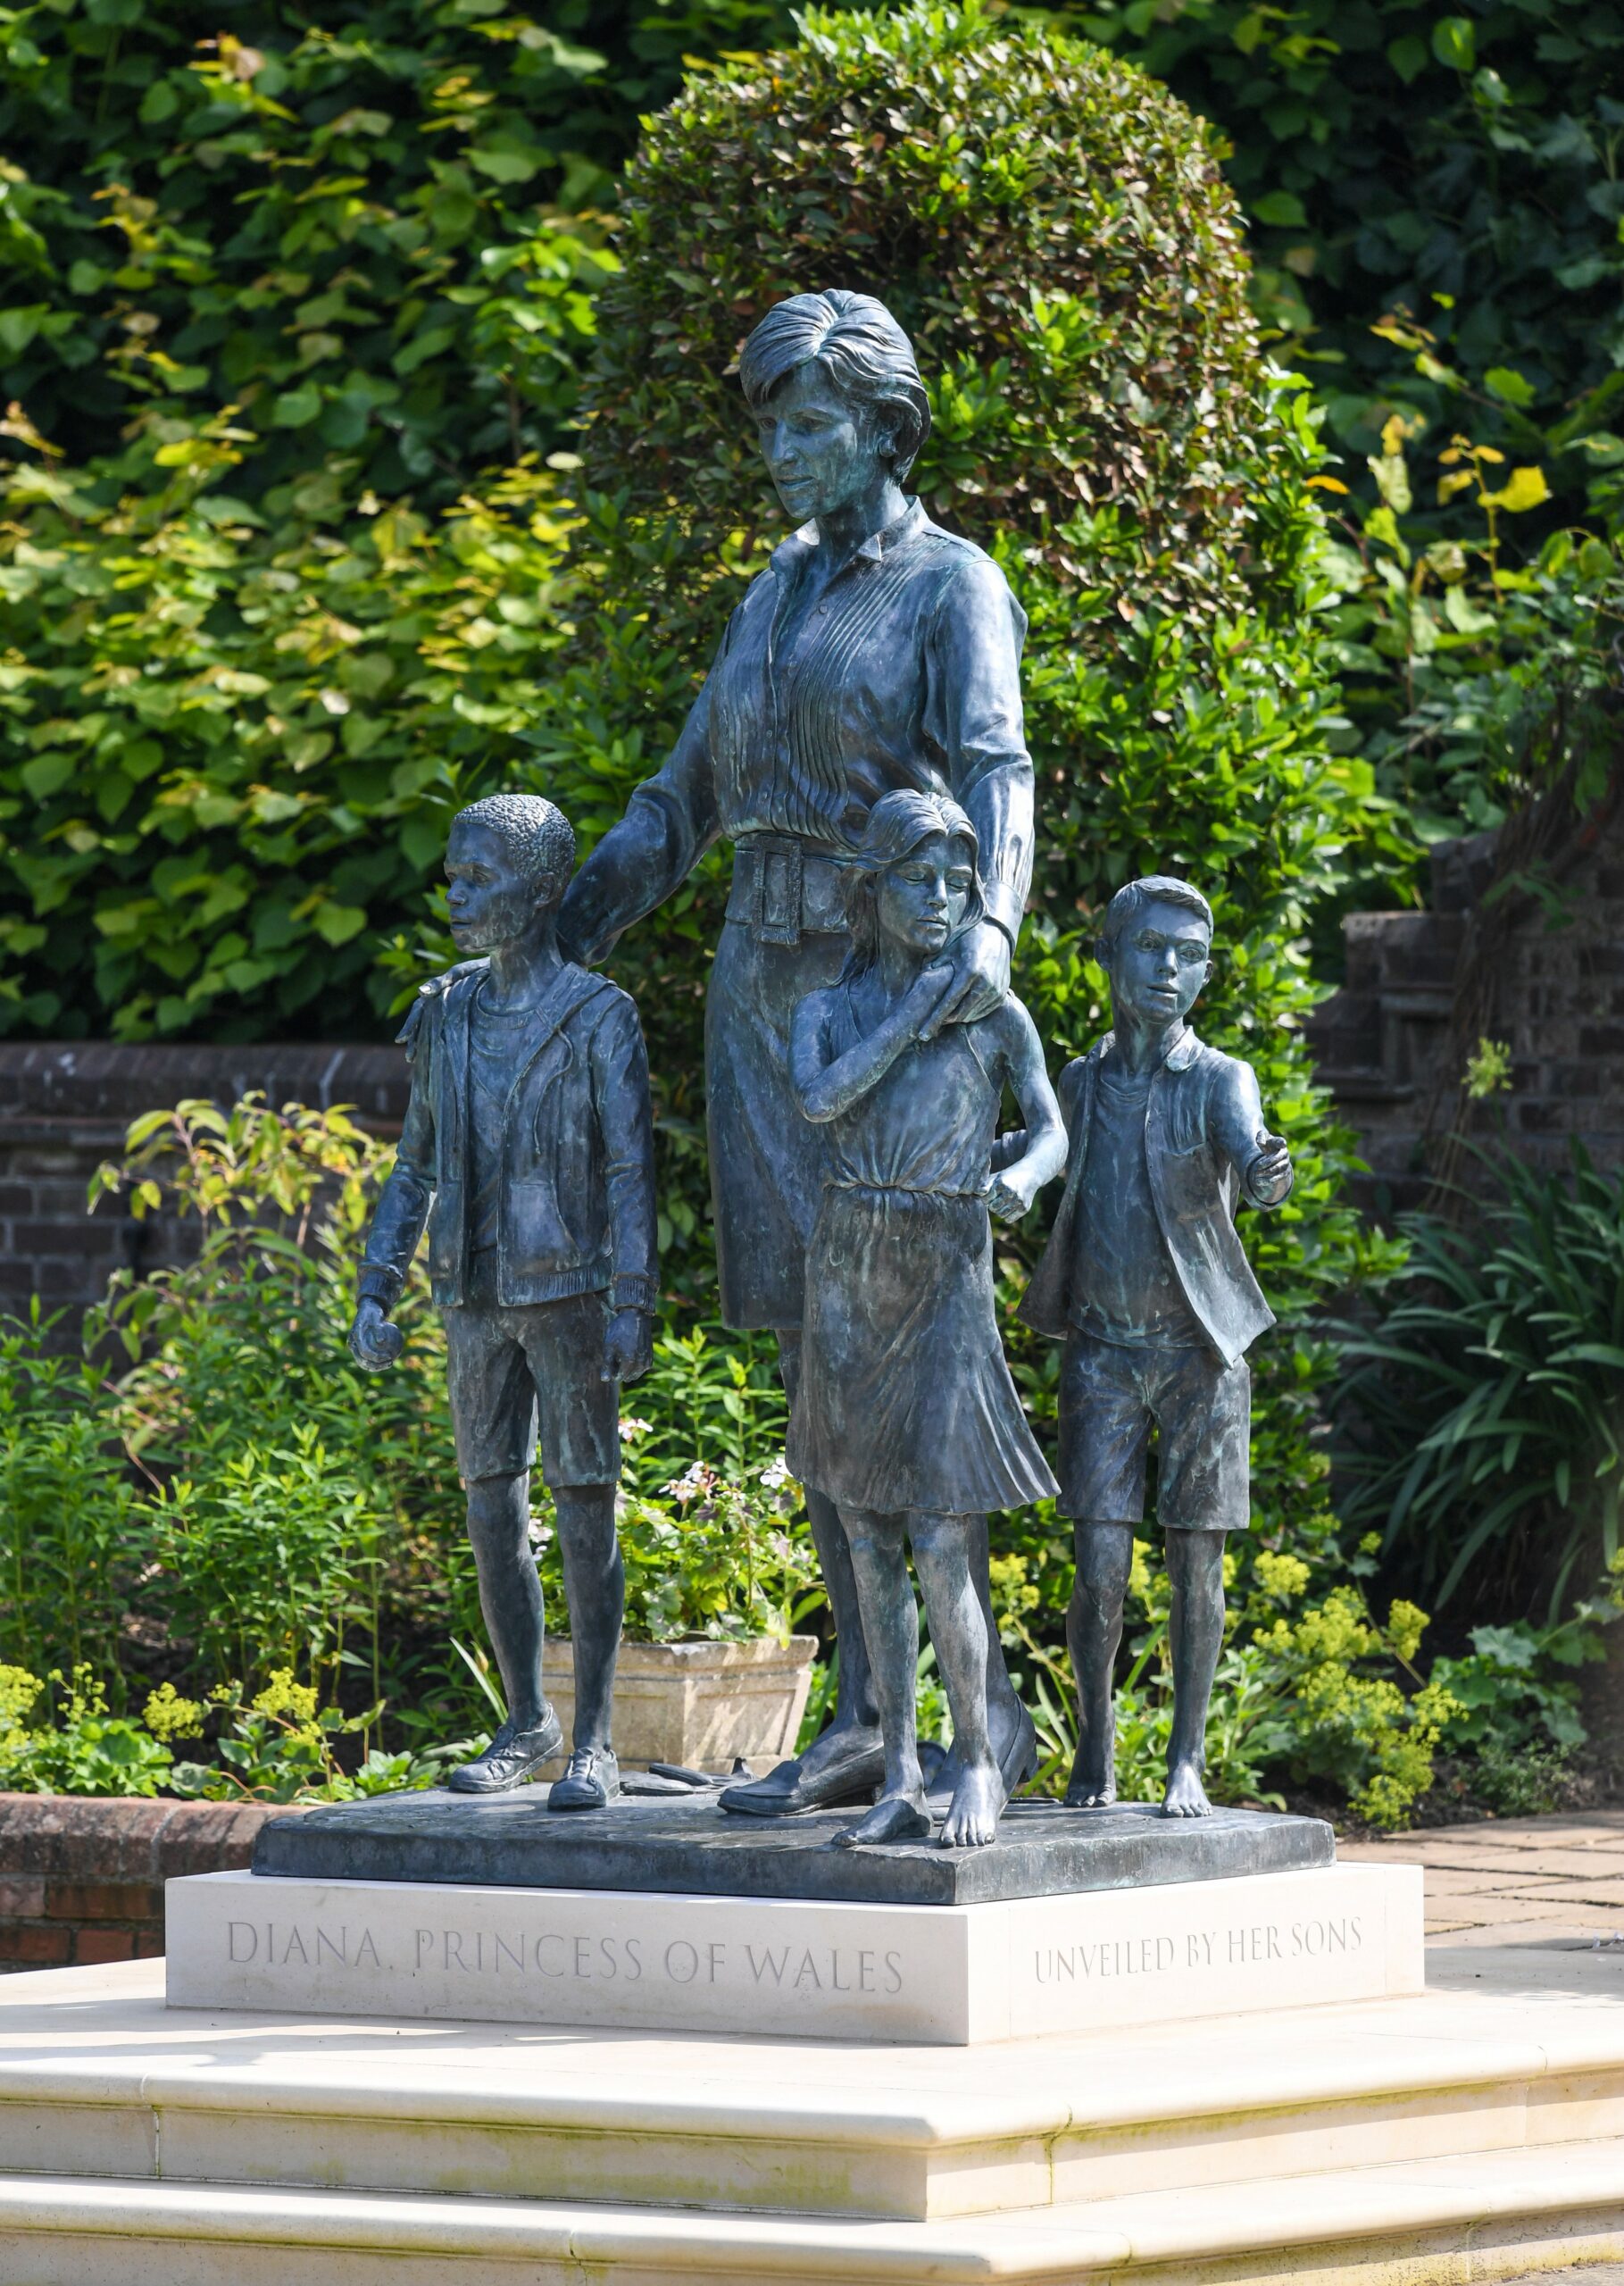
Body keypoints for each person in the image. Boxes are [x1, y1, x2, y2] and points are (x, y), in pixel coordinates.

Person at [557, 289, 1039, 1815]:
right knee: (805, 1365)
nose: (779, 450)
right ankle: (860, 1720)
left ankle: (977, 1729)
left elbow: (995, 769)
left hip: (880, 1008)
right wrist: (563, 932)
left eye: (809, 422)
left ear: (884, 428)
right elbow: (678, 797)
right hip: (756, 1006)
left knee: (902, 1361)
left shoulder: (949, 586)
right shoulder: (766, 597)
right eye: (767, 423)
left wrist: (993, 937)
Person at [348, 794, 657, 1807]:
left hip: (568, 1293)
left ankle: (598, 1734)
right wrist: (375, 1284)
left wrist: (631, 1300)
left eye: (477, 879)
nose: (455, 895)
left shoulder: (598, 1016)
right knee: (491, 1509)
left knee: (584, 1507)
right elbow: (414, 1164)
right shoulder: (446, 1012)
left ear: (538, 893)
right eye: (453, 875)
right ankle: (527, 1719)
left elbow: (628, 1170)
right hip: (473, 1291)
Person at [787, 792, 1066, 1848]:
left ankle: (977, 1760)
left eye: (958, 882)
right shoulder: (827, 1007)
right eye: (919, 880)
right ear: (873, 889)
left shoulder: (997, 1015)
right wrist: (913, 1013)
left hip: (947, 1264)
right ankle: (899, 1768)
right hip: (850, 1266)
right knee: (864, 1533)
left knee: (944, 1533)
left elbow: (1049, 1128)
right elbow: (822, 1100)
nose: (944, 900)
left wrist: (1028, 1181)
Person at [1019, 876, 1295, 1818]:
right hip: (1098, 1350)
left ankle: (1186, 1756)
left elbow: (1253, 1155)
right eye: (1150, 947)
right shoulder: (1080, 1082)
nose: (1168, 968)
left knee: (1194, 1565)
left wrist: (1265, 1170)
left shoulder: (1220, 1079)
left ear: (1205, 973)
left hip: (1198, 1356)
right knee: (1097, 1568)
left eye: (1186, 955)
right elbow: (1045, 1161)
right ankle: (1092, 1744)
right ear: (1108, 955)